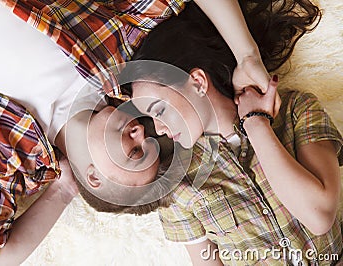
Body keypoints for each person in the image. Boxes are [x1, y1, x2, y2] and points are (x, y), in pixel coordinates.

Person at [0, 0, 279, 264]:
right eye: (147, 138)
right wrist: (247, 56)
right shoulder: (119, 59)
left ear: (94, 178)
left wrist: (62, 190)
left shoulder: (14, 161)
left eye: (135, 151)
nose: (139, 131)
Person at [119, 1, 343, 265]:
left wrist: (256, 123)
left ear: (198, 82)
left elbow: (319, 217)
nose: (157, 129)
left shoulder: (296, 110)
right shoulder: (177, 186)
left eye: (159, 110)